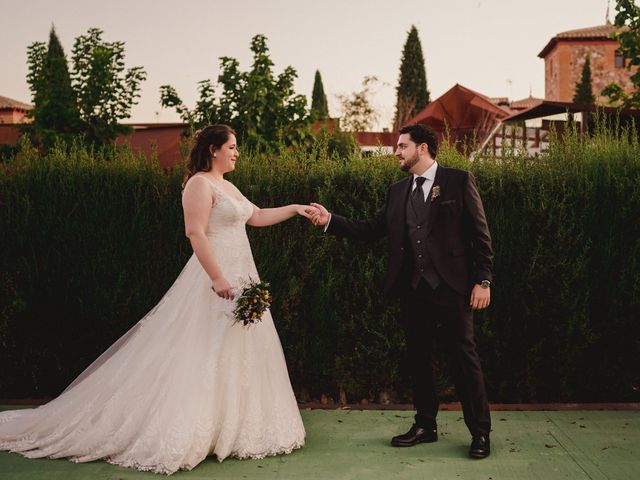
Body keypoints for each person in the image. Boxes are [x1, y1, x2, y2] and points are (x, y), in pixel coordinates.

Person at [0, 124, 311, 474]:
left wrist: (296, 208)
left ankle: (232, 429)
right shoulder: (199, 184)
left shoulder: (228, 186)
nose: (237, 152)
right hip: (215, 277)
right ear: (213, 149)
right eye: (233, 147)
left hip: (243, 276)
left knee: (236, 350)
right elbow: (194, 232)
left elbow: (256, 216)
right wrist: (217, 277)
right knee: (199, 350)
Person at [309, 123, 494, 459]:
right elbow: (369, 230)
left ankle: (480, 433)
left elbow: (480, 237)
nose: (396, 152)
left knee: (464, 361)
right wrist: (329, 220)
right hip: (413, 290)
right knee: (418, 360)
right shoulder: (397, 191)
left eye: (401, 146)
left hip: (453, 288)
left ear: (422, 148)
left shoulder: (458, 180)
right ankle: (426, 426)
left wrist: (483, 281)